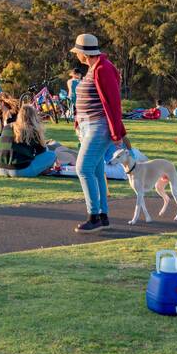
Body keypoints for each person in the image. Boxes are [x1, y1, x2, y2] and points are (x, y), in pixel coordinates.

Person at [69, 33, 129, 232]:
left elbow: (113, 103)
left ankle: (93, 216)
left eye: (77, 52)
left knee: (83, 168)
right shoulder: (92, 69)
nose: (76, 55)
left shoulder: (103, 69)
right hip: (88, 126)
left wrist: (117, 133)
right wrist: (79, 123)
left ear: (83, 53)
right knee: (95, 170)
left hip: (98, 126)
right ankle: (102, 216)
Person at [0, 103, 57, 177]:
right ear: (34, 116)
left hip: (0, 168)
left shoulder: (8, 127)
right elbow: (42, 153)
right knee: (52, 155)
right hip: (19, 170)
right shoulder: (32, 130)